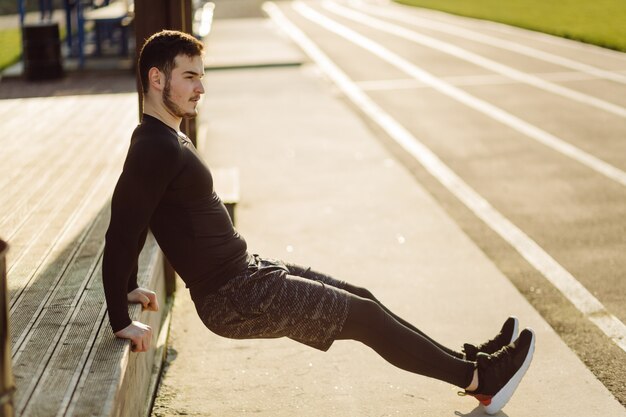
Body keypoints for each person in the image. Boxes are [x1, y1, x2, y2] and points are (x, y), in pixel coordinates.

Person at [102, 30, 535, 415]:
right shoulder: (152, 147)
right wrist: (121, 316)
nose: (201, 87)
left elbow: (141, 221)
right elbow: (122, 229)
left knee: (362, 299)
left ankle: (472, 365)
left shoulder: (167, 137)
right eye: (190, 77)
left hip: (247, 274)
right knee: (365, 318)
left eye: (201, 75)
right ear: (157, 79)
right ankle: (479, 382)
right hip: (233, 296)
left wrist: (127, 284)